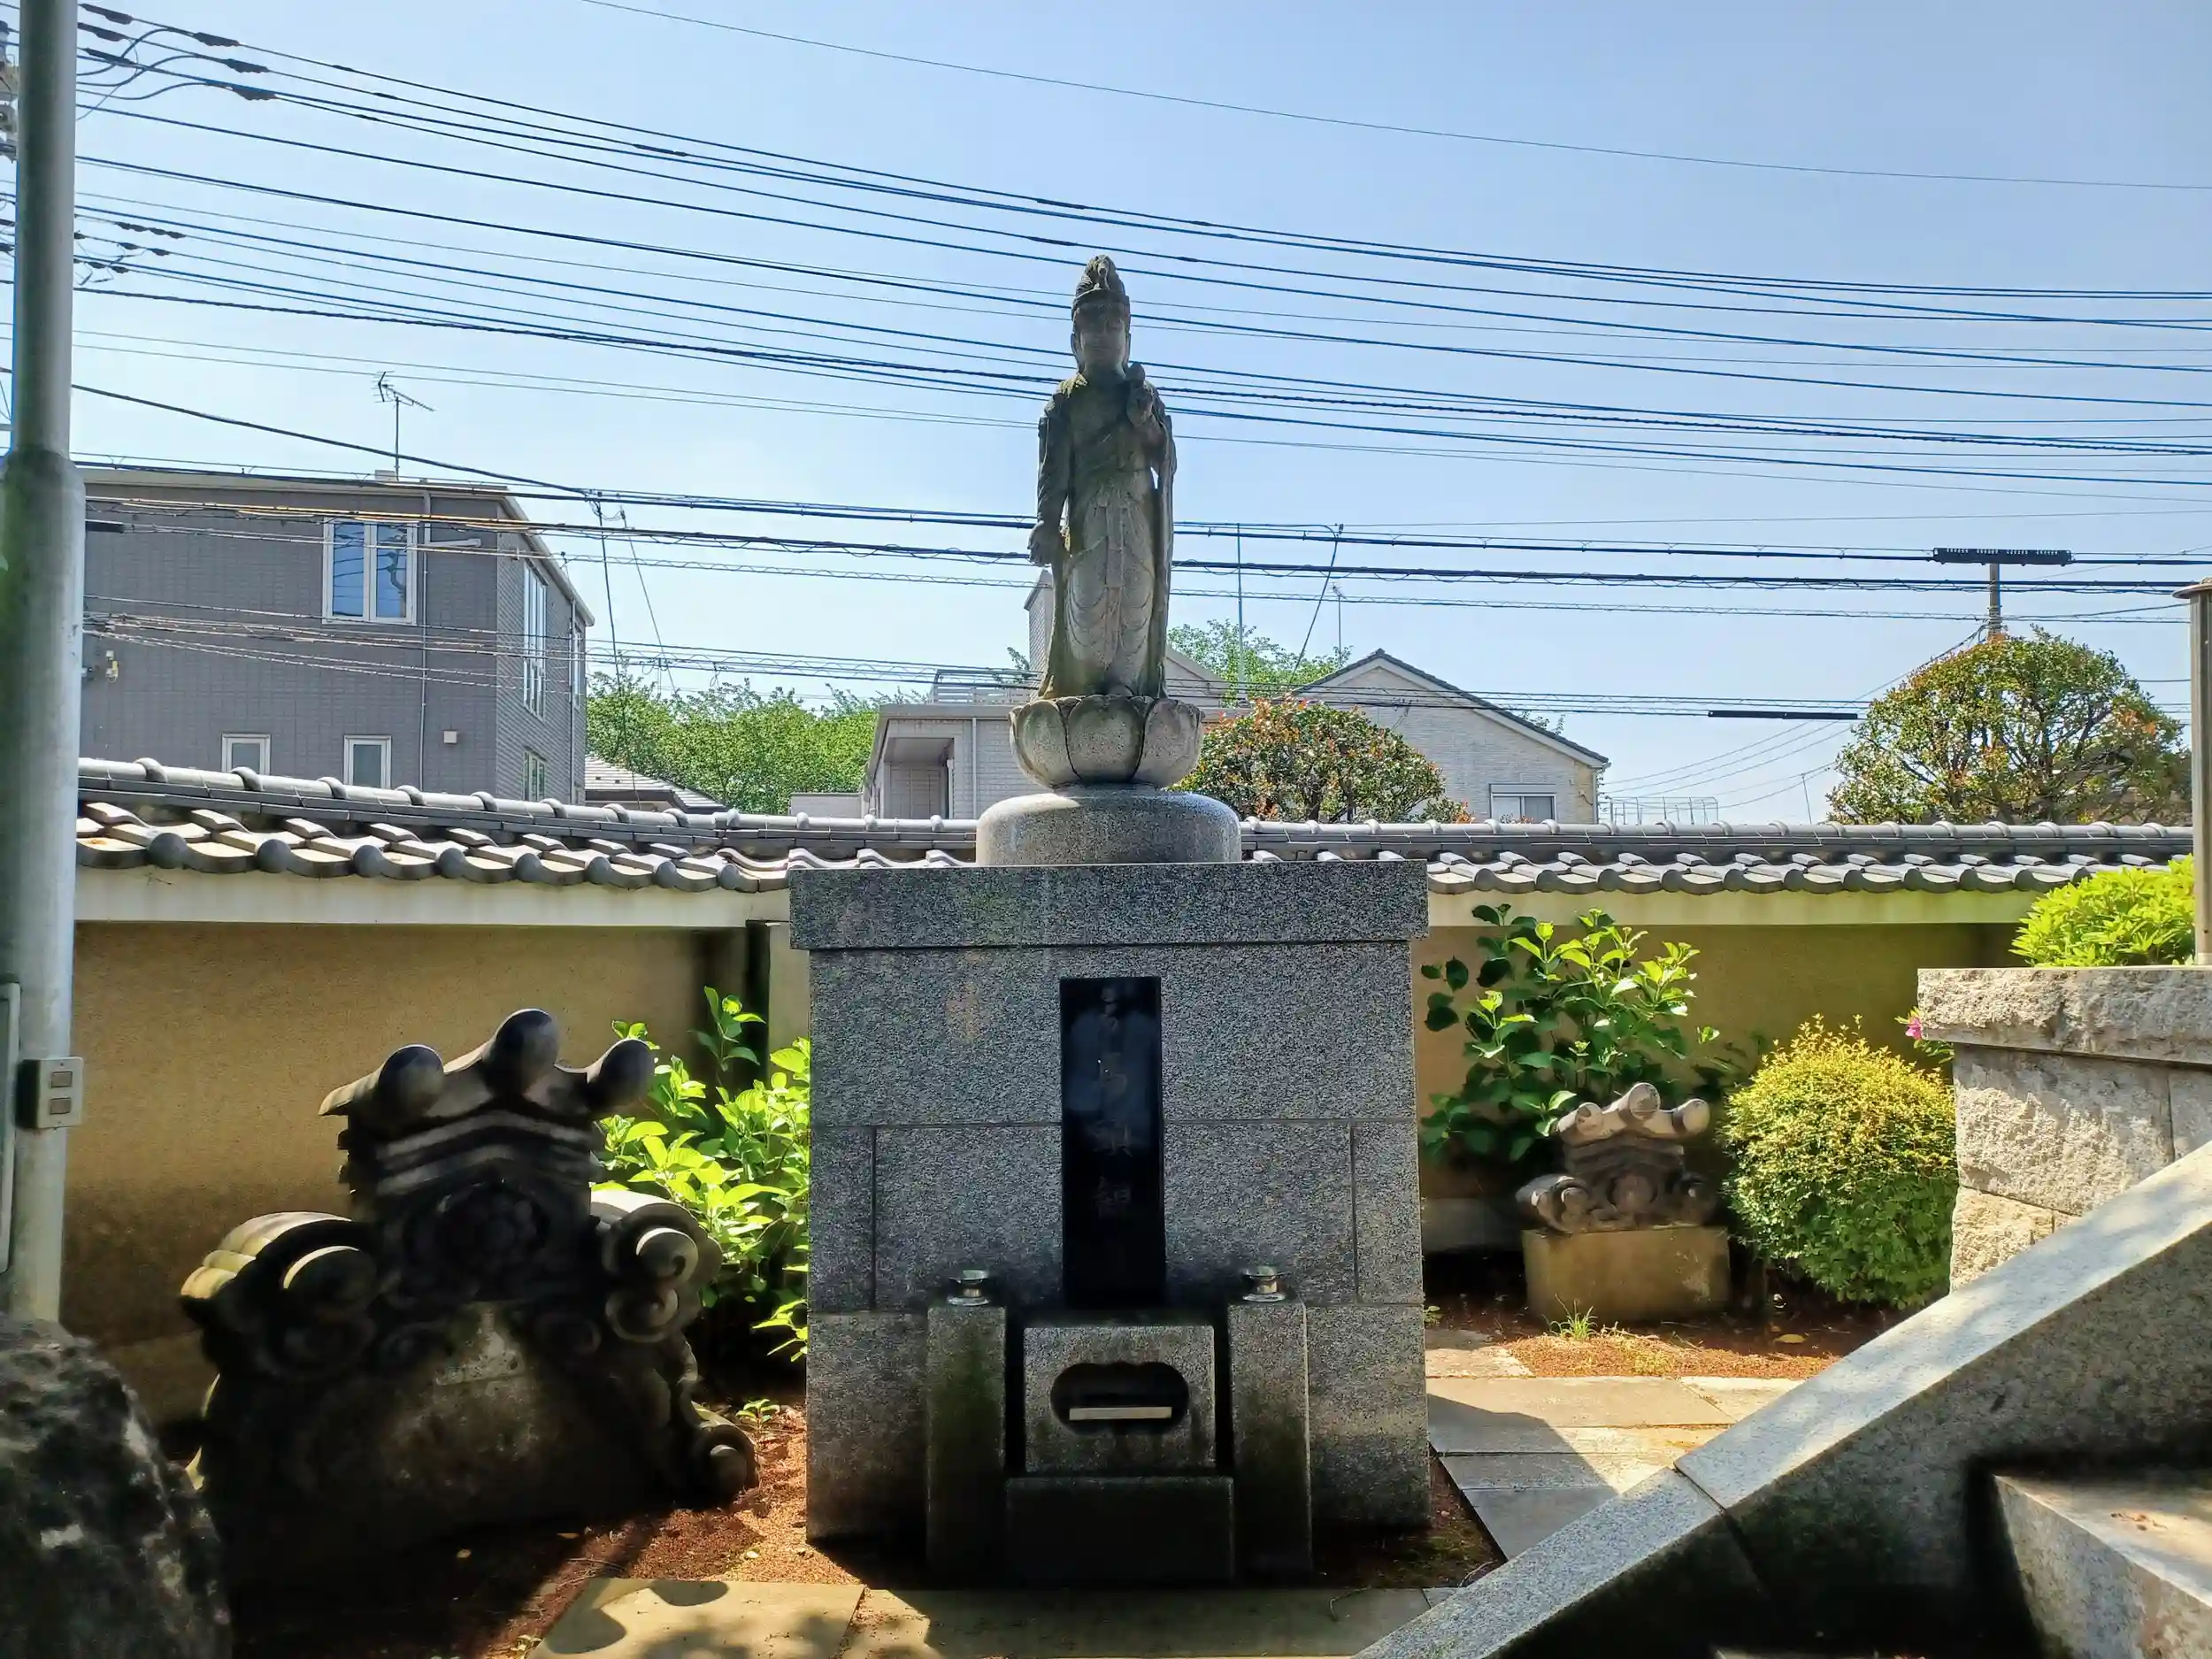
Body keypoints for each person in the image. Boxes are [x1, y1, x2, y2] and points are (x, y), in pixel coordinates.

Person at [1029, 256, 1175, 701]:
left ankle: (1126, 682)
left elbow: (1165, 460)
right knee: (1088, 596)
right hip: (1088, 515)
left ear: (1128, 340)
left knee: (1135, 594)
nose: (1103, 336)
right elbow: (1053, 470)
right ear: (1076, 342)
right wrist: (1046, 522)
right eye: (1092, 327)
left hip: (1137, 513)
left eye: (1113, 327)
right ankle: (1087, 684)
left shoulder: (1142, 394)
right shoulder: (1065, 400)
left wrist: (1145, 421)